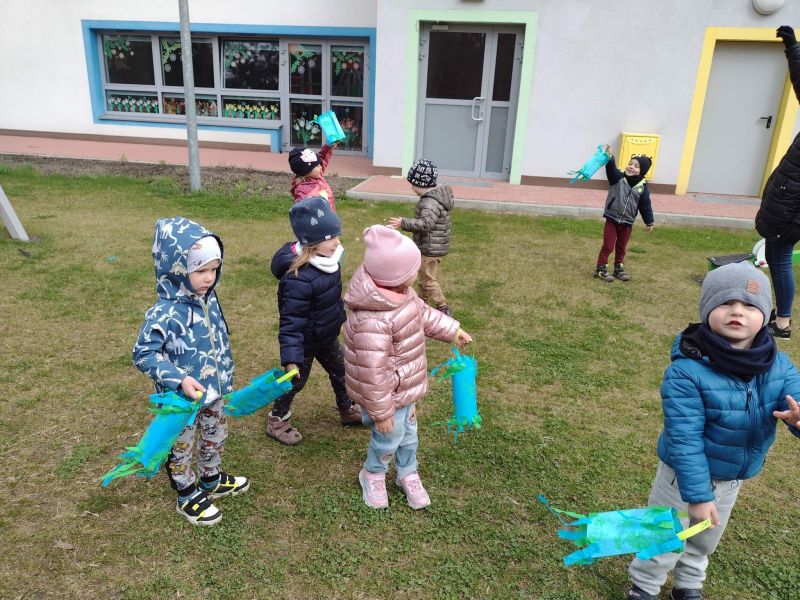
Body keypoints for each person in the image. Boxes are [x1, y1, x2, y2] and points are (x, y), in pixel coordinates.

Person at [626, 263, 800, 600]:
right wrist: (698, 495)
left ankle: (688, 585)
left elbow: (795, 396)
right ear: (707, 310)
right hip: (682, 477)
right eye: (725, 303)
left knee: (704, 539)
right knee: (665, 535)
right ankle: (644, 586)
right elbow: (684, 438)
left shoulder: (777, 364)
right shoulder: (686, 371)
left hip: (731, 477)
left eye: (749, 305)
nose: (737, 311)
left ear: (765, 315)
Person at [342, 225, 473, 510]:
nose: (417, 273)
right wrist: (382, 413)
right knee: (387, 438)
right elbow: (371, 374)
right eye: (413, 270)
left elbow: (424, 314)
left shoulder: (403, 294)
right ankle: (373, 473)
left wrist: (452, 330)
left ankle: (407, 472)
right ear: (397, 277)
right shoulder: (372, 320)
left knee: (409, 436)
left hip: (405, 388)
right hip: (386, 397)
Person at [133, 217, 249, 526]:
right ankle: (186, 492)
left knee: (215, 434)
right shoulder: (165, 312)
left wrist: (223, 376)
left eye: (214, 269)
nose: (209, 278)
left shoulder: (208, 299)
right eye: (200, 271)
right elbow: (143, 354)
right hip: (182, 401)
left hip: (213, 391)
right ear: (176, 269)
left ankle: (211, 478)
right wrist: (179, 379)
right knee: (181, 445)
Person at [268, 196, 361, 445]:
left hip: (326, 335)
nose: (337, 242)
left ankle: (346, 408)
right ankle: (277, 420)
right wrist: (291, 357)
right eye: (330, 238)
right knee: (294, 382)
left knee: (342, 371)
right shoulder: (298, 279)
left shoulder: (329, 261)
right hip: (305, 342)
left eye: (337, 235)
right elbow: (291, 321)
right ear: (311, 243)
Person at [755, 25, 800, 340]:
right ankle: (781, 315)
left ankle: (782, 322)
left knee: (781, 260)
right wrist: (792, 48)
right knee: (775, 256)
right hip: (786, 200)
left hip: (791, 209)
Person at [387, 158, 455, 316]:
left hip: (430, 249)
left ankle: (442, 307)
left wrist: (403, 222)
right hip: (430, 246)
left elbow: (426, 224)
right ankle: (421, 303)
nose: (412, 188)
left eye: (413, 184)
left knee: (428, 279)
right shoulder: (432, 199)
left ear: (422, 183)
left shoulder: (430, 203)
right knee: (423, 276)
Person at [594, 145, 655, 282]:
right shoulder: (618, 178)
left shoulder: (642, 187)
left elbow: (645, 206)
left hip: (627, 223)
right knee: (608, 246)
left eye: (636, 166)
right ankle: (601, 269)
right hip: (612, 219)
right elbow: (611, 169)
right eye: (630, 164)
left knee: (621, 247)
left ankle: (618, 268)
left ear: (642, 171)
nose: (631, 167)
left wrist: (649, 221)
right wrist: (610, 157)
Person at [288, 143, 338, 211]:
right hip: (319, 217)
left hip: (331, 214)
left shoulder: (317, 174)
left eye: (319, 164)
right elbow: (301, 210)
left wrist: (328, 147)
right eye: (317, 166)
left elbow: (322, 157)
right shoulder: (303, 191)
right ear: (306, 171)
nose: (321, 167)